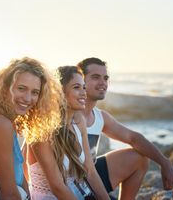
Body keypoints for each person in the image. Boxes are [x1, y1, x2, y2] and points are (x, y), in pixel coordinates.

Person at [75, 57, 173, 200]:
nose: (103, 83)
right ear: (80, 81)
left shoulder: (100, 117)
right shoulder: (66, 114)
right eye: (95, 77)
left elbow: (133, 138)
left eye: (105, 78)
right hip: (68, 183)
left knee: (140, 158)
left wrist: (164, 162)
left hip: (91, 177)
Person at [0, 57, 61, 200]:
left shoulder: (3, 121)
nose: (28, 98)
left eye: (35, 92)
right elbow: (8, 193)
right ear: (4, 88)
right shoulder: (0, 125)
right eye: (21, 89)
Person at [26, 66, 110, 200]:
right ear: (60, 92)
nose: (84, 92)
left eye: (84, 87)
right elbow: (57, 187)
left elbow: (90, 171)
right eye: (77, 87)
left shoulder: (78, 122)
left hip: (77, 193)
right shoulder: (42, 131)